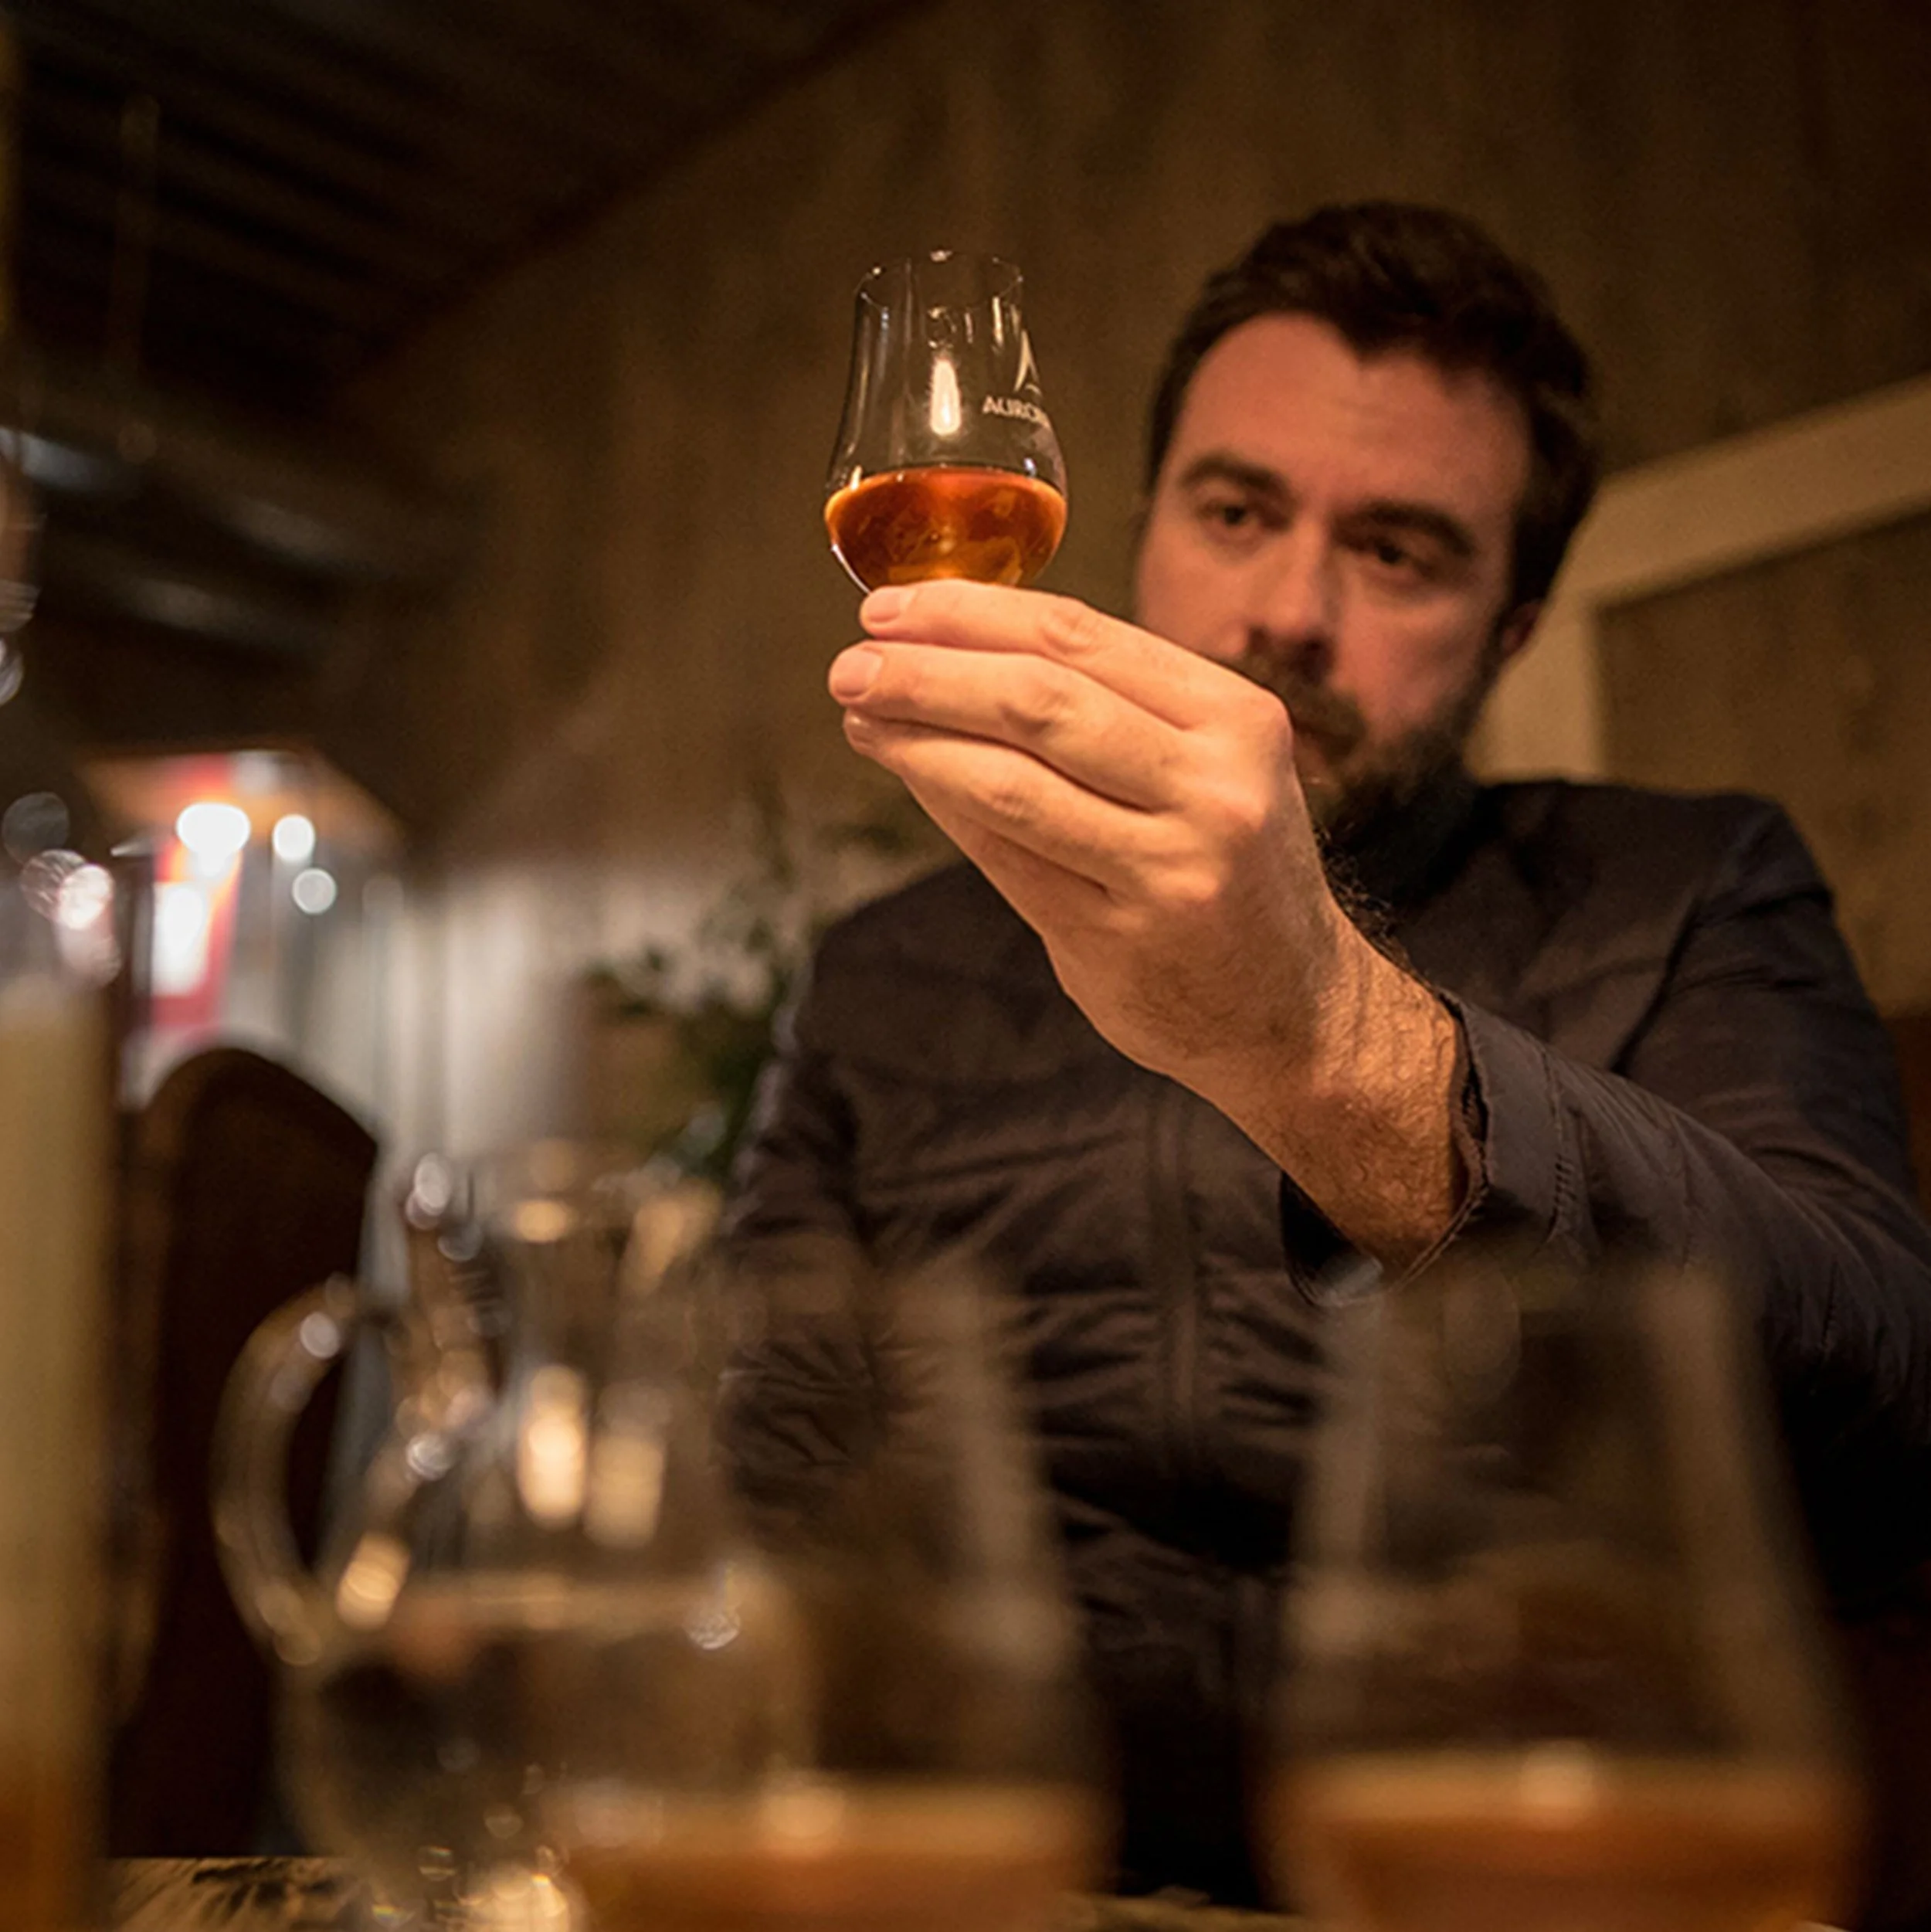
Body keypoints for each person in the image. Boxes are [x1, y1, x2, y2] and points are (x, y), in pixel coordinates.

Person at [720, 203, 1931, 1907]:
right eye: (1234, 510)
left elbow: (1888, 1432)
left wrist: (1324, 1039)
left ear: (1506, 629)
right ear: (1141, 532)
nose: (1288, 608)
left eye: (1400, 551)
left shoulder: (1688, 886)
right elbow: (747, 1463)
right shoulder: (881, 968)